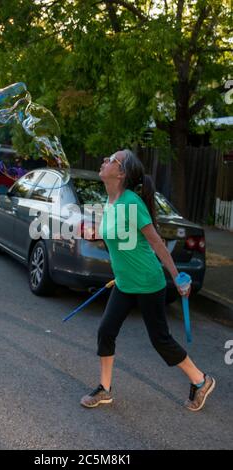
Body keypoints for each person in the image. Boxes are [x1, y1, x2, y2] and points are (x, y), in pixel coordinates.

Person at [80, 149, 216, 411]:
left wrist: (177, 278)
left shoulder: (131, 203)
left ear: (120, 173)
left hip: (148, 281)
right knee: (106, 331)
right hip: (125, 283)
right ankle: (105, 389)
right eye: (106, 157)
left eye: (111, 160)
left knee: (160, 339)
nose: (104, 160)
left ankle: (201, 381)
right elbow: (120, 241)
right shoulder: (110, 202)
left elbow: (156, 243)